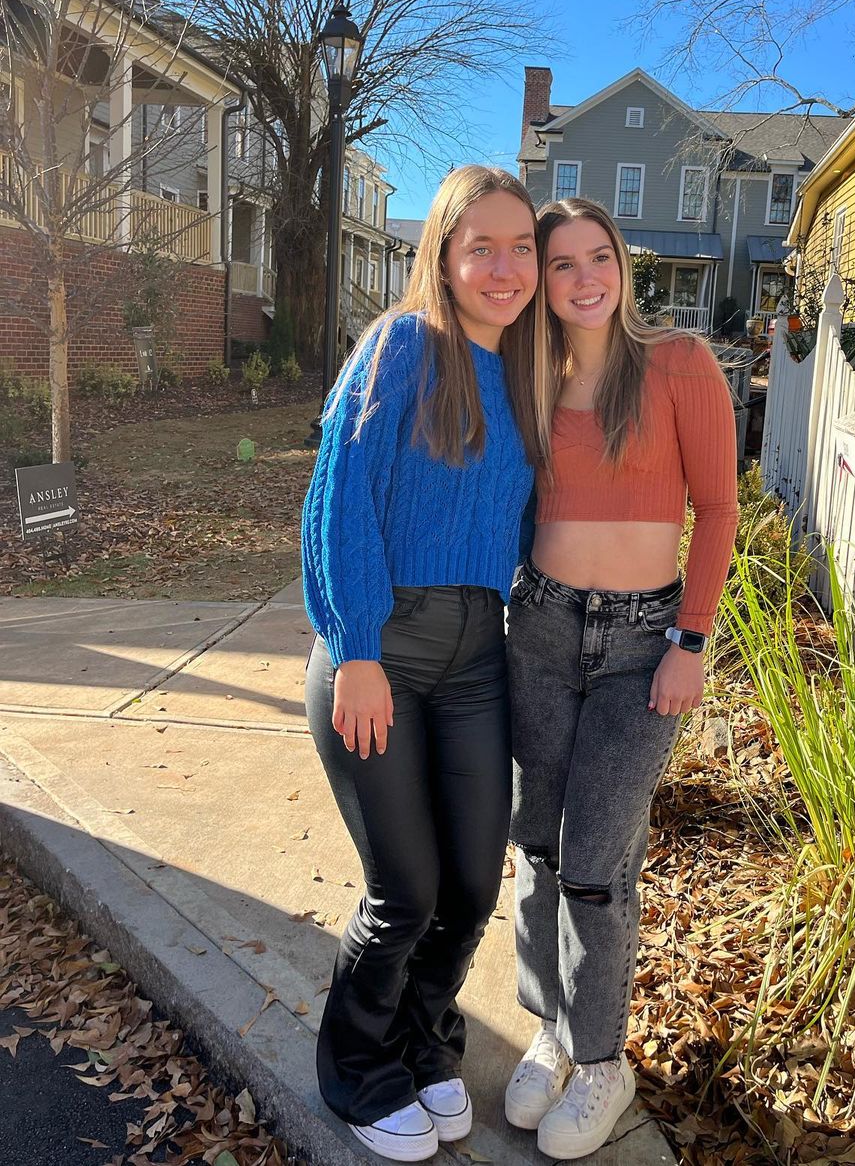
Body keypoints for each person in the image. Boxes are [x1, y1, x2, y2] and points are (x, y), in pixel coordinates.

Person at [302, 165, 542, 1163]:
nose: (505, 266)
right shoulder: (401, 345)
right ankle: (358, 1071)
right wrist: (356, 646)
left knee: (472, 888)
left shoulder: (526, 371)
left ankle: (424, 1043)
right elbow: (340, 495)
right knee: (405, 890)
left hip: (478, 656)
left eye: (521, 247)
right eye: (481, 246)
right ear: (442, 256)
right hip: (382, 652)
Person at [503, 197, 739, 1160]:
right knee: (538, 844)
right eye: (562, 264)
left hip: (643, 645)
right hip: (541, 628)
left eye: (598, 256)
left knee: (596, 860)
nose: (584, 278)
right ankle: (549, 1029)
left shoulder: (679, 363)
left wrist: (691, 639)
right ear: (544, 282)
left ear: (623, 264)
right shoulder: (531, 377)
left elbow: (718, 510)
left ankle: (601, 1058)